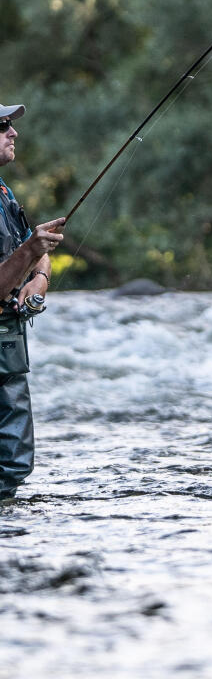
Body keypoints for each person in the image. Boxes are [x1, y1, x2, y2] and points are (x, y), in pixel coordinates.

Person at [0, 101, 65, 502]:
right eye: (3, 125)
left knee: (12, 466)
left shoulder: (3, 192)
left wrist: (39, 276)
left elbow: (36, 248)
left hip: (8, 351)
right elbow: (27, 250)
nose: (13, 132)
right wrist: (28, 254)